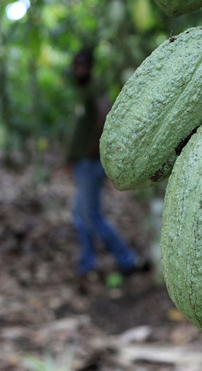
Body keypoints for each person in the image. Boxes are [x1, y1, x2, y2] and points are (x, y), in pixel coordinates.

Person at [67, 49, 148, 280]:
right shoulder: (82, 91)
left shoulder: (93, 88)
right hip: (83, 162)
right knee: (80, 215)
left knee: (90, 215)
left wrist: (95, 145)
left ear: (90, 67)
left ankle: (126, 259)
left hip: (90, 163)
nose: (77, 70)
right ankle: (88, 263)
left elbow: (104, 113)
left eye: (81, 65)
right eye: (75, 65)